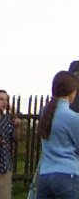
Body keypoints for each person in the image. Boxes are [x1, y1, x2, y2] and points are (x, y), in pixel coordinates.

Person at [36, 70, 79, 199]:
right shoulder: (72, 117)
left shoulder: (45, 113)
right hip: (67, 174)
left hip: (45, 175)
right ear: (72, 92)